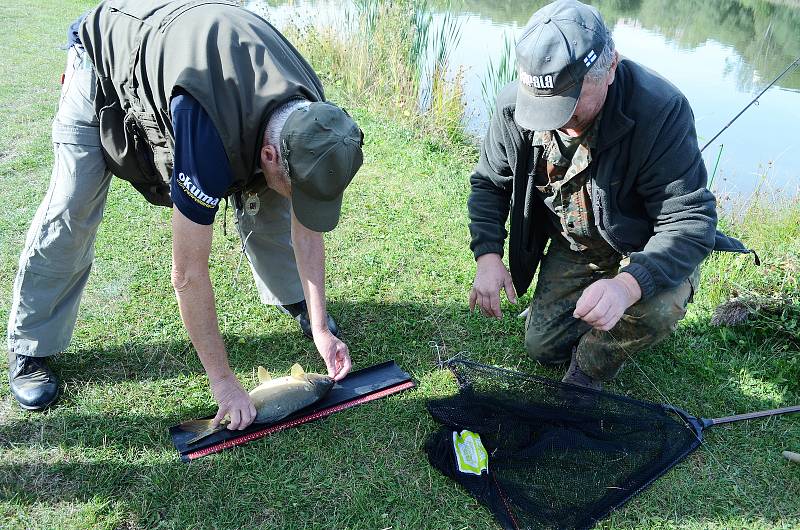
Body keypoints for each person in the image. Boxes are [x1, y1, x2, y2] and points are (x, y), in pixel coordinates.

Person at [6, 0, 364, 432]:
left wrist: (322, 327)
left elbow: (304, 228)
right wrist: (225, 383)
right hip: (106, 58)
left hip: (196, 53)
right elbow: (188, 273)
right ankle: (30, 345)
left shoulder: (314, 119)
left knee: (275, 197)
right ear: (268, 153)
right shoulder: (204, 131)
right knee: (72, 207)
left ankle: (299, 304)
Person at [467, 0, 752, 390]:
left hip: (648, 242)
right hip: (581, 242)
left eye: (569, 103)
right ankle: (592, 307)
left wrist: (626, 286)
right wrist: (488, 256)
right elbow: (489, 183)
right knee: (541, 347)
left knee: (657, 307)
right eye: (543, 106)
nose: (558, 120)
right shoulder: (513, 107)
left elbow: (690, 221)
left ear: (611, 68)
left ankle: (587, 371)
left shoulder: (661, 110)